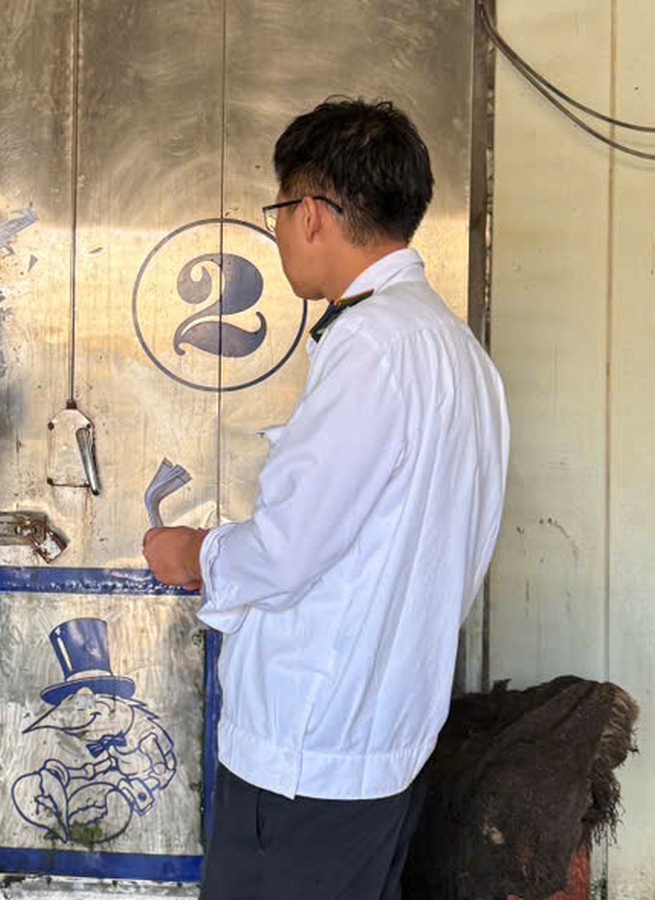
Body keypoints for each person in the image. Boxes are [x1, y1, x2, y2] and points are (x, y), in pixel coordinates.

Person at [142, 98, 509, 900]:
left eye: (277, 212)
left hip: (308, 750)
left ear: (310, 213)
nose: (280, 232)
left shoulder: (372, 344)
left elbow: (287, 552)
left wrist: (193, 552)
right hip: (386, 739)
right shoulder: (460, 353)